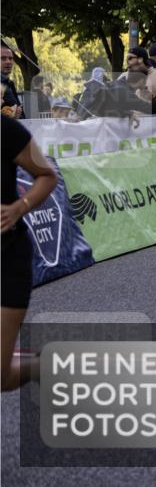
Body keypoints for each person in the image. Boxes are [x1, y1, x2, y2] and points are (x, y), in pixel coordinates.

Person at [2, 115, 57, 390]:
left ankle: (42, 367)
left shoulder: (6, 129)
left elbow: (47, 176)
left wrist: (19, 208)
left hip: (7, 260)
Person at [1, 44, 23, 119]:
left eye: (10, 58)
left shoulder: (9, 83)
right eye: (3, 58)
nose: (8, 62)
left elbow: (18, 109)